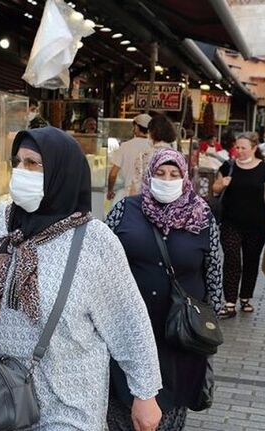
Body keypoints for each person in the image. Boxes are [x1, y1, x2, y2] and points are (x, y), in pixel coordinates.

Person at [0, 126, 163, 431]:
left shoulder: (94, 241)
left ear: (61, 172)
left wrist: (145, 393)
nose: (21, 171)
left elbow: (128, 319)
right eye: (17, 162)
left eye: (33, 163)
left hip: (66, 405)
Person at [106, 148, 223, 431]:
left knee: (171, 410)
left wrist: (208, 325)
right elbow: (99, 260)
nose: (166, 179)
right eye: (159, 173)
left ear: (185, 178)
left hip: (180, 335)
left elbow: (214, 274)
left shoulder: (202, 216)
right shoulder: (125, 210)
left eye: (174, 174)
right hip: (128, 330)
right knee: (123, 408)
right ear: (149, 176)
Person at [212, 132, 265, 318]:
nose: (239, 151)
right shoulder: (228, 166)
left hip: (257, 224)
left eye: (244, 148)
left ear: (254, 148)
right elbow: (215, 189)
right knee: (232, 259)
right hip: (230, 222)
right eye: (237, 147)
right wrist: (222, 183)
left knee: (251, 261)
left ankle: (245, 297)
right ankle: (229, 302)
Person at [126, 114, 178, 197]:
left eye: (149, 132)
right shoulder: (177, 157)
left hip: (149, 203)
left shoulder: (144, 155)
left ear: (152, 133)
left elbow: (137, 184)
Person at [107, 113, 152, 202]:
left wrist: (110, 190)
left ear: (136, 127)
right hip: (148, 196)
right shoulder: (154, 147)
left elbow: (113, 174)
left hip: (129, 194)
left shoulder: (125, 146)